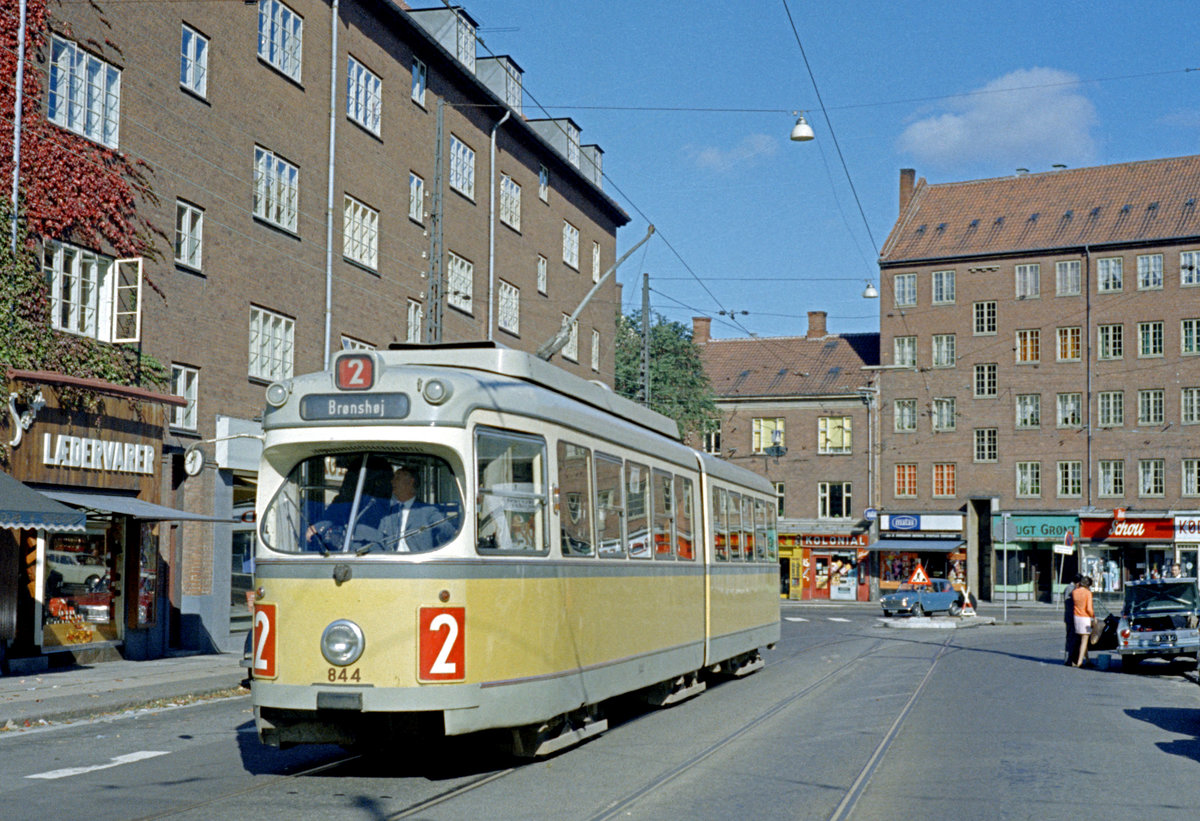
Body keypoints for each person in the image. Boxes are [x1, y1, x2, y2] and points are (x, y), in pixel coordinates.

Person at [378, 466, 456, 552]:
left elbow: (448, 532)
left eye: (397, 478)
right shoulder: (389, 512)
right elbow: (379, 540)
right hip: (391, 559)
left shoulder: (427, 511)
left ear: (410, 482)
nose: (392, 481)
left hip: (416, 558)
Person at [1071, 575, 1095, 667]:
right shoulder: (1088, 593)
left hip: (1076, 616)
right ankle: (1080, 661)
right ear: (1088, 585)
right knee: (1085, 640)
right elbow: (1089, 608)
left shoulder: (1075, 592)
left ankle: (1087, 660)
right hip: (1085, 618)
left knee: (1082, 639)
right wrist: (1093, 616)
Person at [1064, 573, 1082, 665]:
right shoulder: (1070, 589)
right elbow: (1069, 603)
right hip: (1071, 617)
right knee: (1071, 638)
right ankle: (1069, 659)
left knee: (1073, 639)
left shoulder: (1072, 588)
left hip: (1071, 617)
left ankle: (1072, 658)